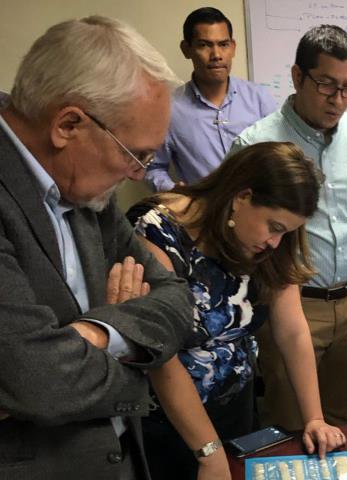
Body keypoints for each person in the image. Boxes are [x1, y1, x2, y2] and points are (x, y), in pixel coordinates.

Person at [0, 16, 194, 479]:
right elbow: (40, 382)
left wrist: (95, 335)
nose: (137, 174)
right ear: (69, 124)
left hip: (122, 457)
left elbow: (176, 300)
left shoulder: (84, 185)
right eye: (135, 155)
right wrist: (139, 354)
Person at [129, 141, 346, 480]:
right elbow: (160, 353)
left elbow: (291, 329)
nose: (276, 242)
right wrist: (208, 451)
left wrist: (314, 417)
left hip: (235, 406)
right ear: (241, 197)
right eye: (274, 227)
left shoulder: (269, 243)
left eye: (286, 233)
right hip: (167, 417)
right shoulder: (157, 230)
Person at [229, 24, 347, 429]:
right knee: (294, 427)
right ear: (298, 77)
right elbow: (238, 237)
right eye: (326, 85)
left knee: (343, 421)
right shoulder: (255, 145)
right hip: (291, 305)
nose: (338, 100)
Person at [145, 7, 277, 192]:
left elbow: (282, 158)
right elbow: (154, 168)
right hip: (204, 214)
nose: (216, 55)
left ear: (233, 47)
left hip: (259, 211)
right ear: (186, 49)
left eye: (223, 44)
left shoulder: (259, 99)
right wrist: (173, 191)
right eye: (204, 45)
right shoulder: (169, 110)